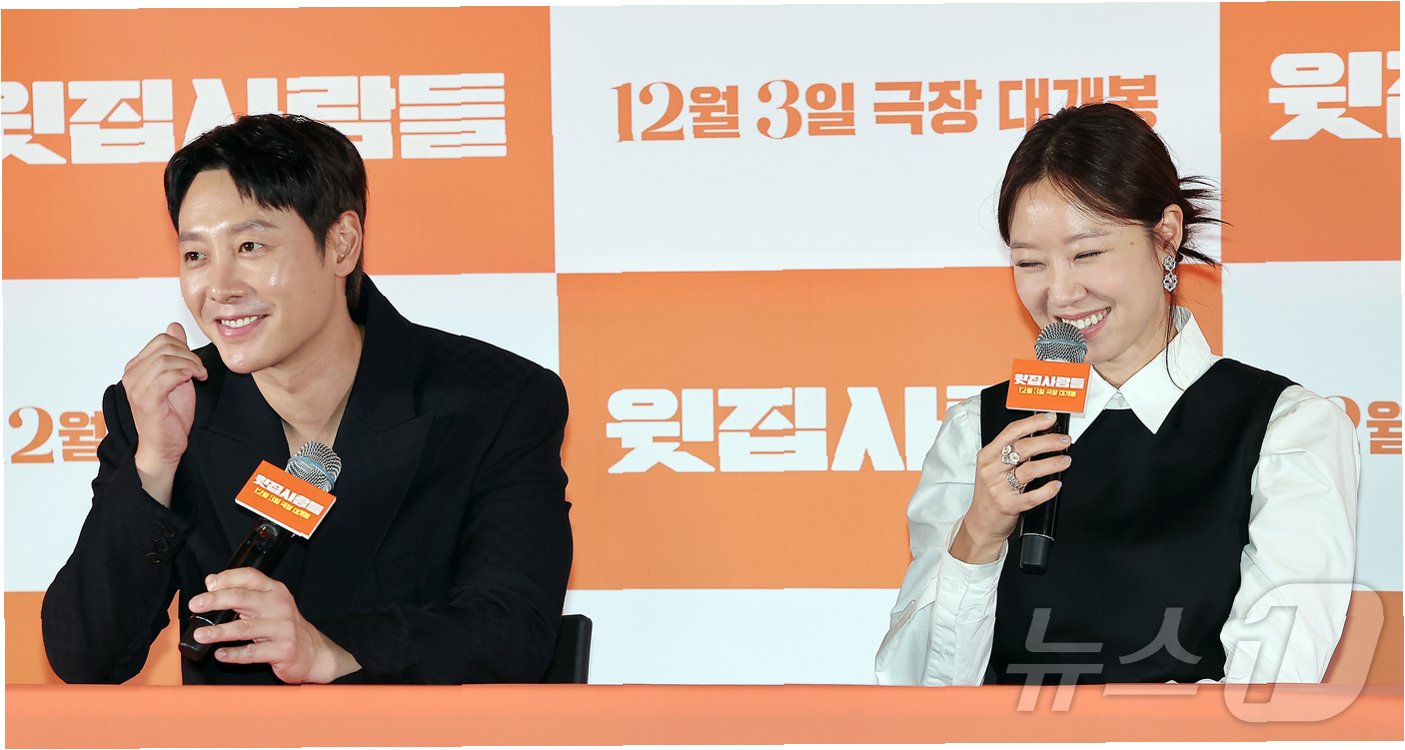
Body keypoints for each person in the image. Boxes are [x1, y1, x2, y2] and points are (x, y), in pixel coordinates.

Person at [42, 114, 573, 685]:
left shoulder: (497, 402)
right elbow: (87, 659)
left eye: (250, 246)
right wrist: (154, 465)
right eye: (196, 255)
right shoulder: (168, 409)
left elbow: (513, 628)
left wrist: (328, 650)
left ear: (342, 244)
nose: (219, 287)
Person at [875, 103, 1358, 686]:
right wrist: (978, 533)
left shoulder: (1285, 428)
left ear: (1166, 235)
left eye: (1087, 253)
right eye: (1030, 262)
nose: (1060, 293)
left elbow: (1271, 690)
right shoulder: (978, 431)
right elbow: (921, 694)